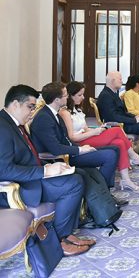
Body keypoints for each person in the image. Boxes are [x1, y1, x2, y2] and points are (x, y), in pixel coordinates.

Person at [0, 84, 94, 257]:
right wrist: (45, 171)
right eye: (30, 107)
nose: (32, 112)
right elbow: (4, 170)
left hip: (31, 177)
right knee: (74, 183)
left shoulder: (14, 123)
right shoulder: (2, 127)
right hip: (20, 187)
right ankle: (60, 240)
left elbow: (27, 156)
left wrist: (49, 167)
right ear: (15, 104)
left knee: (77, 174)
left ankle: (67, 234)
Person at [60, 81, 139, 191]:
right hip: (79, 143)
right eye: (80, 95)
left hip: (87, 136)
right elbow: (72, 137)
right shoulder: (65, 113)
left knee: (119, 143)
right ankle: (133, 156)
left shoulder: (77, 110)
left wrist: (97, 129)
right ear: (70, 96)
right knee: (117, 130)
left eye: (83, 94)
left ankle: (126, 180)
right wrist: (94, 132)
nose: (83, 97)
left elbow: (85, 128)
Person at [31, 82, 120, 189]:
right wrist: (80, 150)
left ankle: (103, 189)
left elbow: (65, 138)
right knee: (110, 155)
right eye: (65, 95)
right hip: (63, 157)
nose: (68, 97)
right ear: (57, 100)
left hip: (71, 150)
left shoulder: (54, 113)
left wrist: (81, 147)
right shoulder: (44, 118)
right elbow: (55, 148)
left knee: (115, 148)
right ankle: (103, 189)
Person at [97, 71, 139, 166]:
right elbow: (113, 117)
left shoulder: (112, 93)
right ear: (113, 81)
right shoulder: (106, 96)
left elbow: (122, 112)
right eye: (120, 79)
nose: (122, 81)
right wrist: (134, 120)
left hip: (123, 122)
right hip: (118, 126)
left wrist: (134, 116)